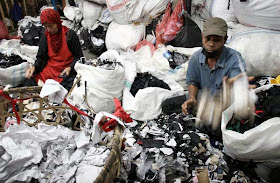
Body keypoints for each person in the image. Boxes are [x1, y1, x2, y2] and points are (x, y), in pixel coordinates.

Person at [162, 17, 247, 115]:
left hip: (224, 102)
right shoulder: (195, 58)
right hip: (202, 98)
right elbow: (192, 82)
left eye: (216, 40)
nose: (211, 44)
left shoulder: (235, 59)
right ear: (202, 36)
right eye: (207, 39)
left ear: (225, 40)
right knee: (167, 105)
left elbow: (237, 87)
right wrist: (192, 98)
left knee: (216, 123)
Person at [25, 8, 83, 90]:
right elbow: (41, 58)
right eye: (46, 27)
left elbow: (79, 57)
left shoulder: (70, 35)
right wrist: (34, 67)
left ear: (57, 22)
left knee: (69, 88)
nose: (49, 29)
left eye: (51, 26)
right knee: (29, 82)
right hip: (51, 70)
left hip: (65, 70)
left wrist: (70, 67)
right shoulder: (45, 37)